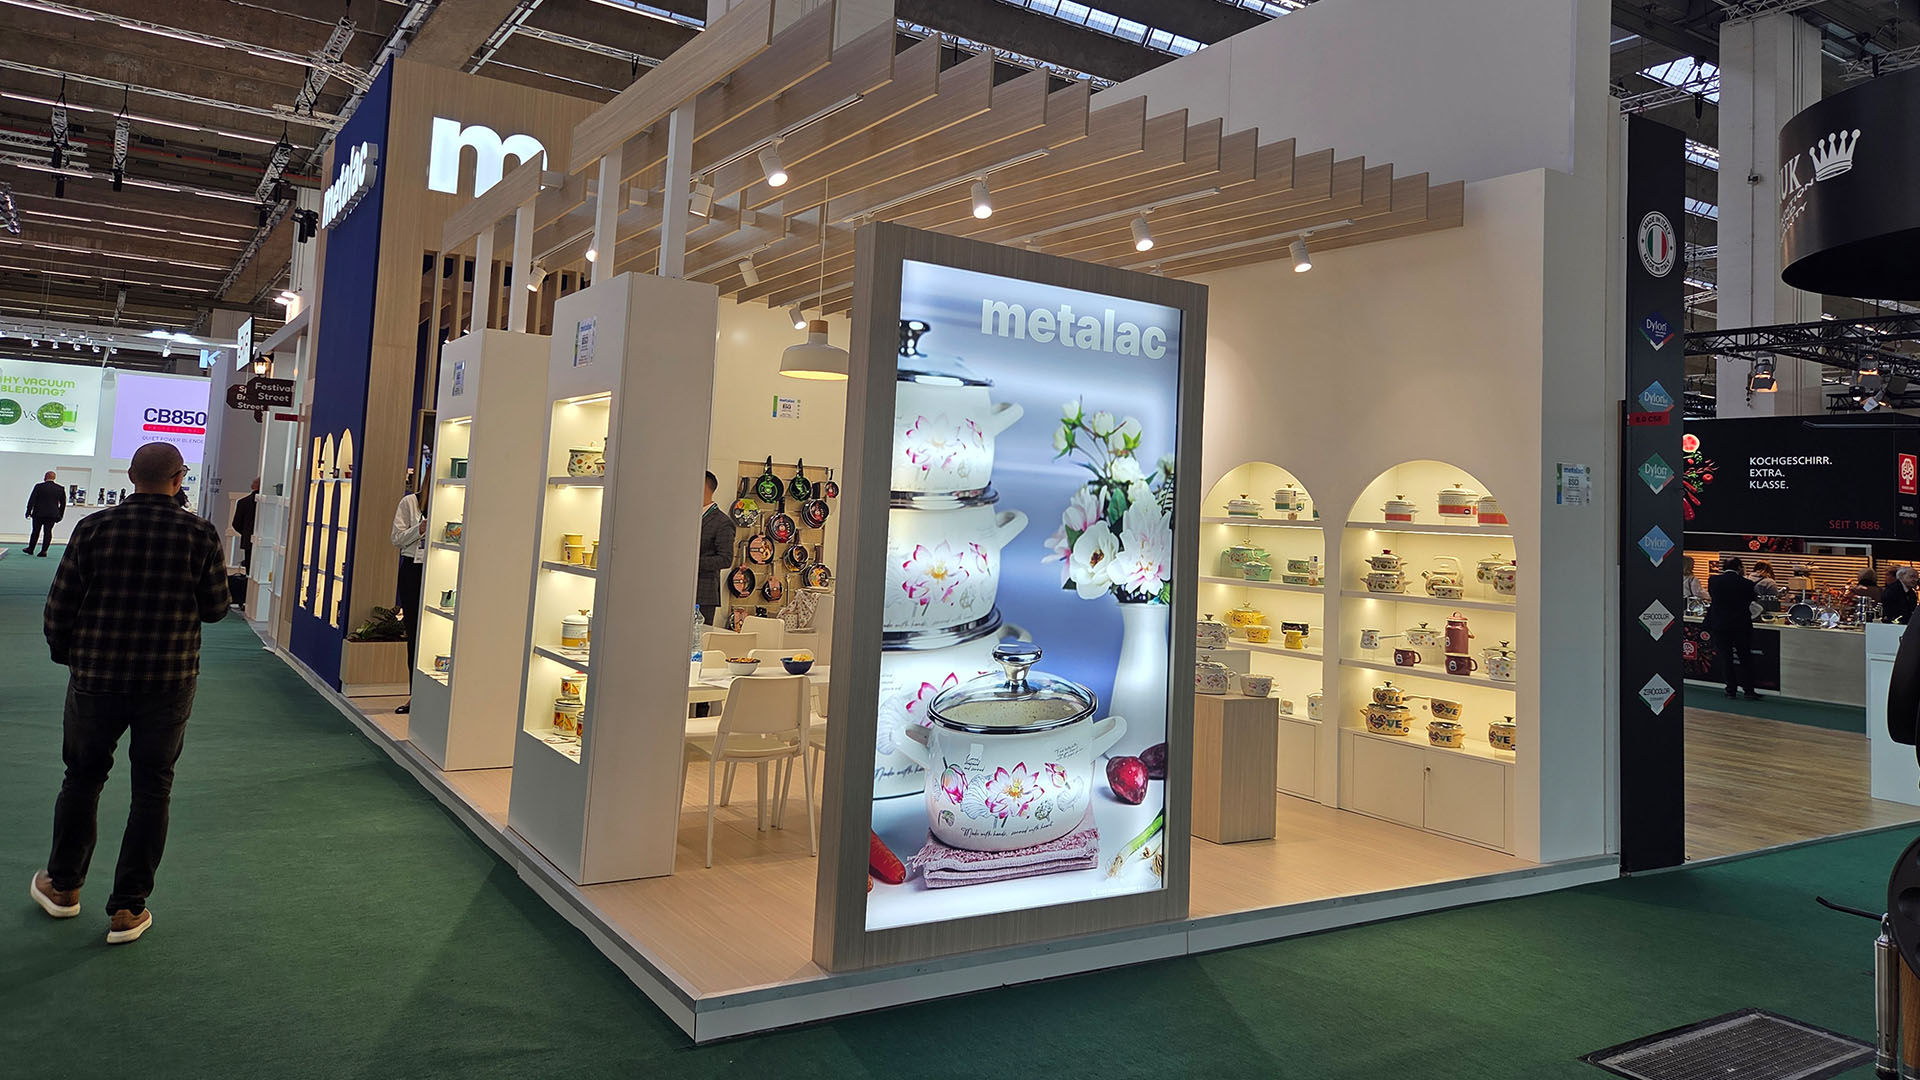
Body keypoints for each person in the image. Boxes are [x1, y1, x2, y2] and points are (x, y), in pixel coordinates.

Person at [31, 442, 229, 944]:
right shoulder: (200, 534)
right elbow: (215, 610)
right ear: (179, 479)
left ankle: (63, 887)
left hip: (97, 677)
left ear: (131, 476)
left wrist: (68, 655)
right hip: (168, 680)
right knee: (153, 787)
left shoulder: (93, 528)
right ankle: (127, 908)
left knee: (82, 778)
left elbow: (60, 606)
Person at [390, 481, 427, 715]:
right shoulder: (410, 503)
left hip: (443, 566)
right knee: (414, 632)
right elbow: (396, 538)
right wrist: (420, 529)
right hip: (414, 569)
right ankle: (415, 696)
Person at [1707, 556, 1761, 701]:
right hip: (1741, 625)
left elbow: (1713, 598)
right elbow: (1752, 599)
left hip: (1720, 624)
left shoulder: (1713, 581)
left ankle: (1730, 690)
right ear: (1739, 567)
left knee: (1726, 658)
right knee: (1745, 657)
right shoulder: (1746, 583)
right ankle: (1748, 690)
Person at [696, 470, 731, 628]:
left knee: (698, 638)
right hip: (680, 589)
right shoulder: (687, 516)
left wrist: (694, 563)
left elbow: (725, 559)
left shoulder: (722, 522)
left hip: (704, 593)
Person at [25, 469, 65, 557]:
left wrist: (28, 511)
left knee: (35, 531)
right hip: (52, 514)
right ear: (54, 478)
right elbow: (63, 504)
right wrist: (60, 515)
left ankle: (31, 549)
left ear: (45, 477)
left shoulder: (39, 487)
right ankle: (44, 551)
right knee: (48, 532)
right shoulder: (60, 488)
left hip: (38, 513)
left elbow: (32, 500)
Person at [232, 477, 259, 572]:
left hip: (248, 541)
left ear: (252, 486)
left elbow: (236, 524)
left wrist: (246, 533)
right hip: (266, 543)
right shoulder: (268, 504)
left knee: (249, 570)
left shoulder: (243, 502)